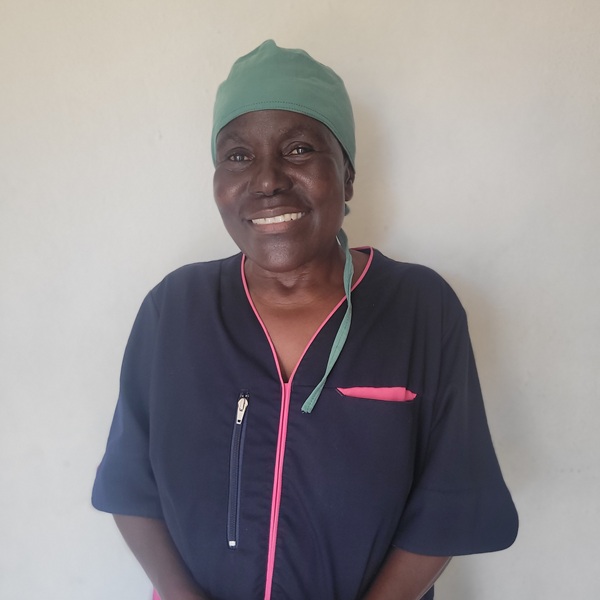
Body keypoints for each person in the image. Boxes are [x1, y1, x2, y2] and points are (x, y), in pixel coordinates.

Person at [92, 40, 518, 600]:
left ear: (348, 175)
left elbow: (449, 500)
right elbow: (131, 485)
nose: (267, 180)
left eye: (298, 149)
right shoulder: (173, 310)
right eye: (237, 156)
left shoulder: (420, 308)